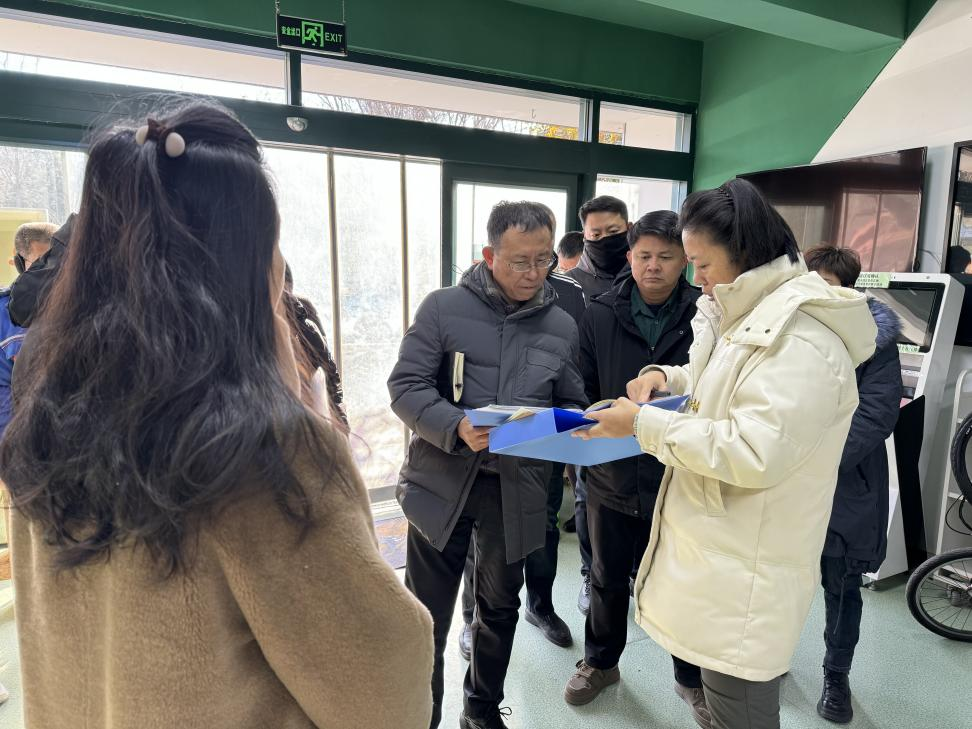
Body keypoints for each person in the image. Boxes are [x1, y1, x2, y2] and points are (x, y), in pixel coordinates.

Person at [0, 100, 434, 729]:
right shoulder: (264, 448)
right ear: (247, 262)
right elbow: (383, 692)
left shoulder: (46, 420)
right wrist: (320, 440)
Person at [578, 178, 877, 729]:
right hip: (724, 552)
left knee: (740, 707)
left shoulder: (802, 340)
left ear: (743, 254)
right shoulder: (749, 316)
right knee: (724, 697)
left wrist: (641, 423)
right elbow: (717, 381)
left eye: (700, 263)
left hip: (747, 569)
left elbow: (752, 449)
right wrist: (665, 377)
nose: (696, 278)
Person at [388, 201, 586, 729]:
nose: (533, 273)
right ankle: (422, 715)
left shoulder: (561, 324)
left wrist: (580, 423)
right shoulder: (443, 307)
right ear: (489, 255)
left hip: (516, 491)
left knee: (499, 608)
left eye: (544, 259)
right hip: (441, 483)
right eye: (519, 261)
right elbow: (405, 386)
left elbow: (571, 401)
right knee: (426, 615)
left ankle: (480, 711)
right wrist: (455, 425)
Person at [564, 210, 709, 726]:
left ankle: (690, 677)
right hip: (611, 472)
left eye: (665, 257)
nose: (653, 266)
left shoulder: (705, 314)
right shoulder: (600, 313)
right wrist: (587, 424)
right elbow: (578, 383)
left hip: (679, 473)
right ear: (629, 256)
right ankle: (601, 663)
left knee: (682, 580)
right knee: (605, 577)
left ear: (684, 261)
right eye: (644, 255)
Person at [456, 269, 586, 656]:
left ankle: (540, 606)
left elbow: (571, 380)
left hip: (539, 449)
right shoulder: (469, 298)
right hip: (484, 449)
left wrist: (570, 417)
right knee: (479, 539)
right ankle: (471, 618)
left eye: (540, 255)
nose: (530, 267)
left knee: (543, 528)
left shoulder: (568, 296)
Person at [804, 245, 902, 725]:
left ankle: (836, 675)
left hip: (847, 480)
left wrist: (815, 462)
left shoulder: (875, 342)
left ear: (850, 290)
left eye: (829, 285)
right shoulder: (787, 329)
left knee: (841, 585)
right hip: (785, 480)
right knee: (777, 577)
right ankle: (768, 659)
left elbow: (877, 413)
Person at [566, 195, 633, 613]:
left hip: (636, 403)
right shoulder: (569, 285)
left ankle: (633, 573)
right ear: (584, 235)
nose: (605, 239)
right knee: (586, 494)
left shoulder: (640, 274)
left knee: (637, 492)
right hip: (586, 402)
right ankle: (590, 574)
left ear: (628, 228)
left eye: (614, 232)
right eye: (596, 234)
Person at [282, 264, 349, 430]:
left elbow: (327, 370)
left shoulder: (303, 317)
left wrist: (340, 420)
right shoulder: (300, 313)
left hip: (308, 418)